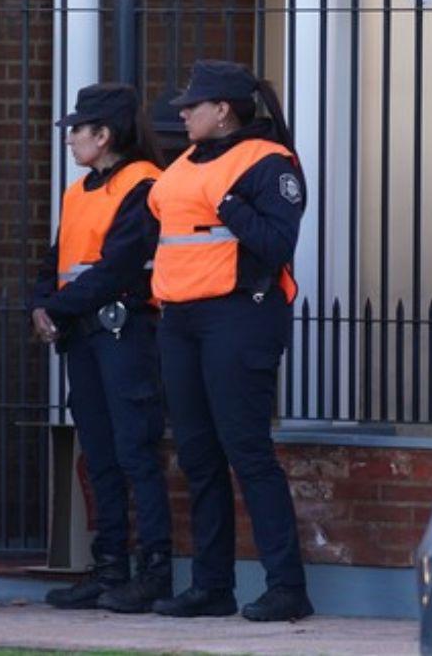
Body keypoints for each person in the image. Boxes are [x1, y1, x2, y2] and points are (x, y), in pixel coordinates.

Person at [147, 60, 312, 622]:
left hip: (242, 315)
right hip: (181, 320)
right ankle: (212, 585)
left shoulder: (269, 162)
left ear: (224, 110)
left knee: (248, 452)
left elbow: (275, 242)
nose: (183, 113)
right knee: (198, 455)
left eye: (193, 105)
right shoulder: (183, 163)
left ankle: (287, 587)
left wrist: (229, 205)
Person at [31, 83, 173, 614]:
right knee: (101, 456)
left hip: (124, 333)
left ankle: (153, 570)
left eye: (77, 132)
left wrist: (56, 308)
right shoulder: (81, 190)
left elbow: (118, 267)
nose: (70, 141)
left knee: (136, 452)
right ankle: (110, 566)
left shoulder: (144, 185)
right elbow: (56, 259)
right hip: (85, 336)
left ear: (104, 134)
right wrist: (41, 304)